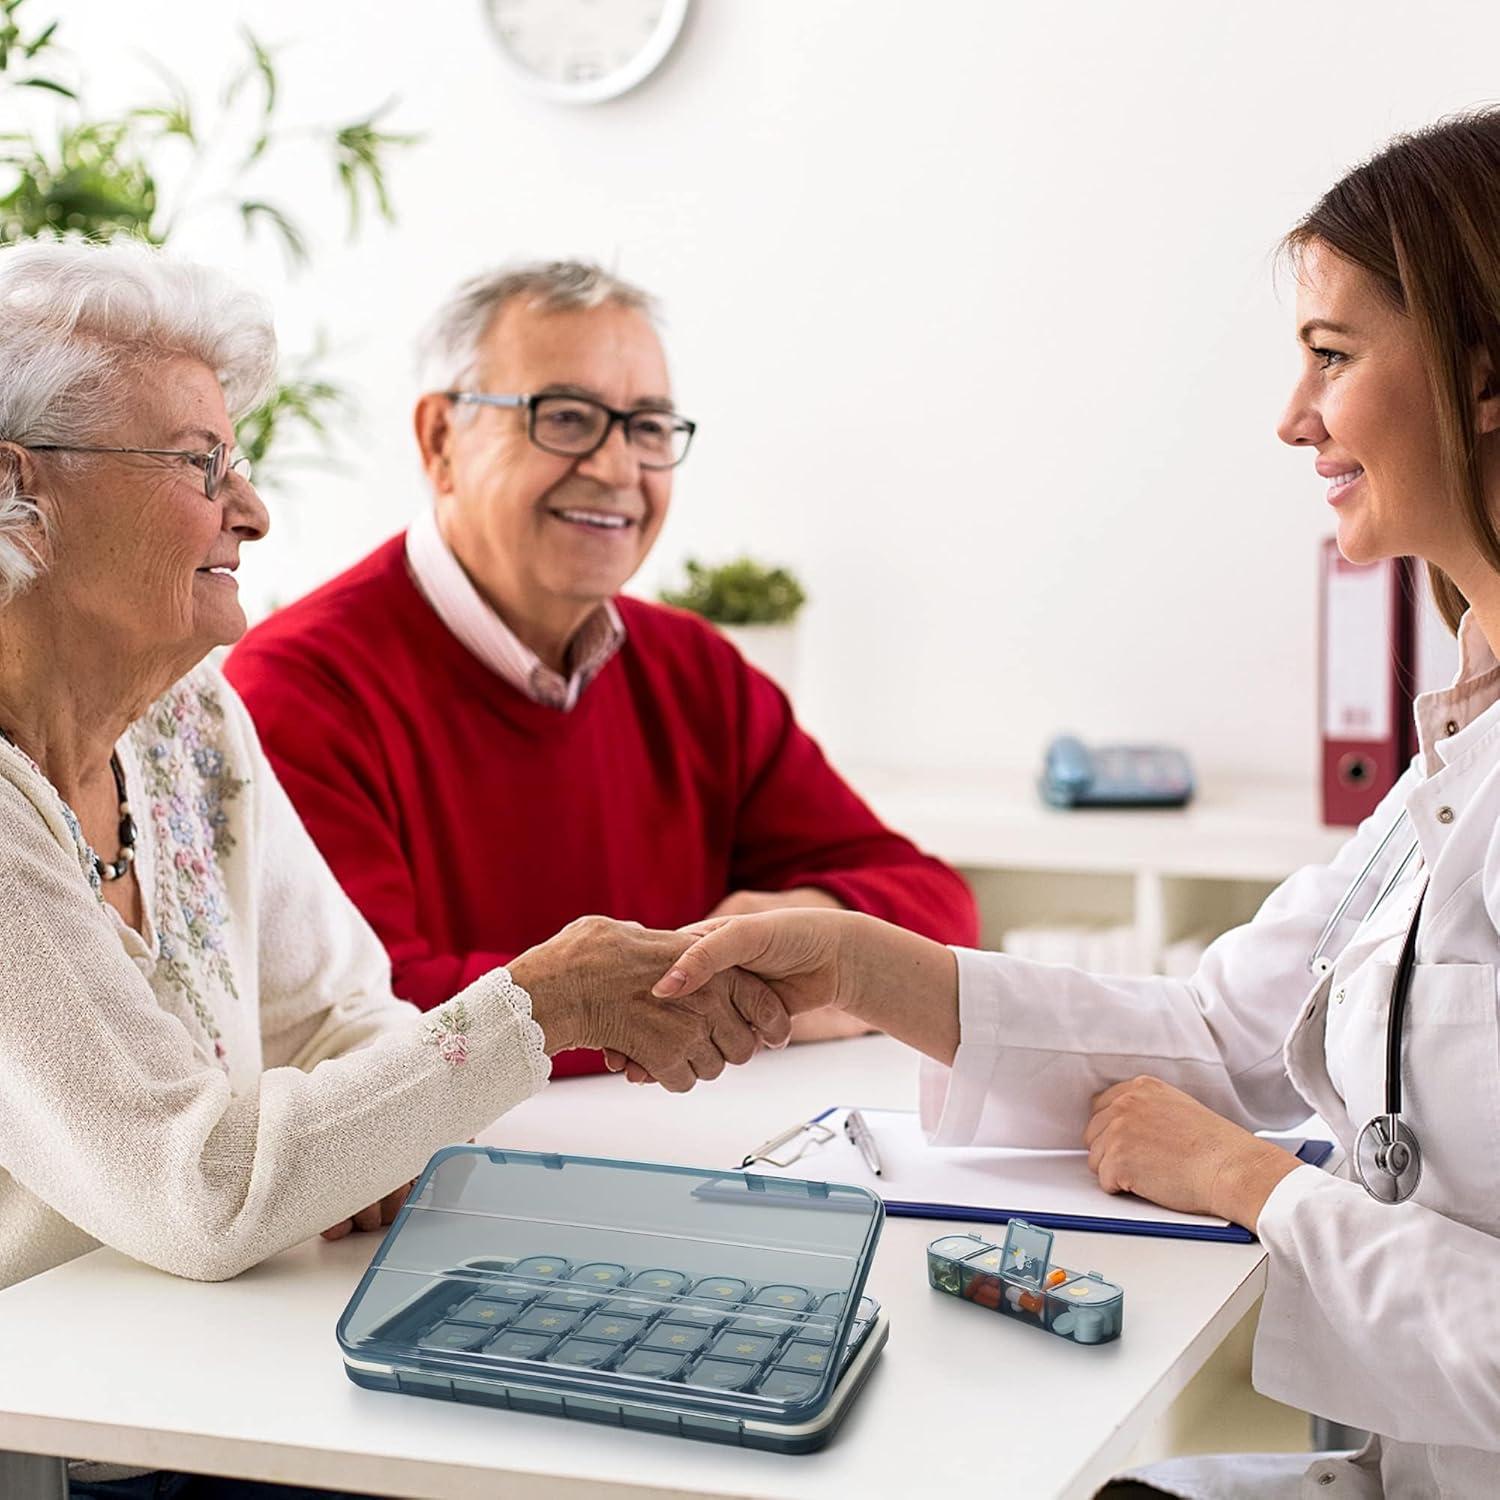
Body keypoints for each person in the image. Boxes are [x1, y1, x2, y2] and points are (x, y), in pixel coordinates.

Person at [640, 110, 1500, 1498]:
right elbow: (1226, 1030)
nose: (1293, 418)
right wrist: (860, 959)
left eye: (1331, 358)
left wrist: (1252, 1186)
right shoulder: (1459, 754)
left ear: (1484, 376)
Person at [0, 238, 790, 1498]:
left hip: (214, 1369)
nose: (250, 509)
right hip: (64, 1431)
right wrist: (550, 1000)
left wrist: (371, 1132)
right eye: (200, 465)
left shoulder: (191, 724)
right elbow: (201, 1188)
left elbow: (340, 1013)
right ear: (17, 493)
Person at [223, 261, 977, 1076]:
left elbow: (934, 899)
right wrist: (688, 1000)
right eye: (569, 417)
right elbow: (369, 1020)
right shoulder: (295, 690)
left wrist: (820, 934)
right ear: (441, 440)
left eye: (648, 427)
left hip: (700, 1157)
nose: (619, 469)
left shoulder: (696, 670)